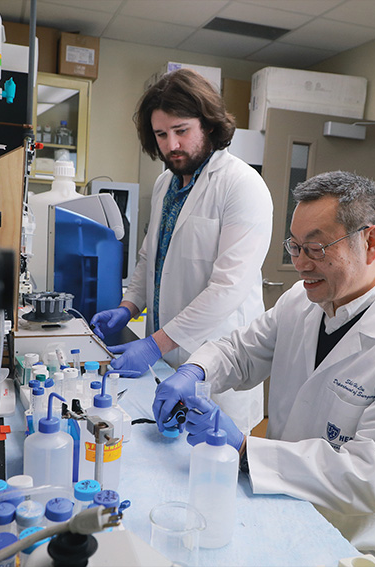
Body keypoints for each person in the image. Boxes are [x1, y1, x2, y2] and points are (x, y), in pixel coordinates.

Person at [153, 171, 375, 567]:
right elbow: (240, 351)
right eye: (295, 246)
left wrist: (247, 450)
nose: (300, 264)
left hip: (358, 534)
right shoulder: (300, 301)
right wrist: (195, 371)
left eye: (316, 248)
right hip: (279, 495)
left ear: (370, 242)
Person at [90, 69, 272, 434]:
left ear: (208, 125)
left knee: (214, 462)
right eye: (161, 134)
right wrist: (129, 308)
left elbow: (228, 287)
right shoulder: (164, 184)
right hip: (167, 355)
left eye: (181, 131)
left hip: (216, 359)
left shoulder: (242, 185)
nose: (171, 144)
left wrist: (154, 345)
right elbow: (150, 260)